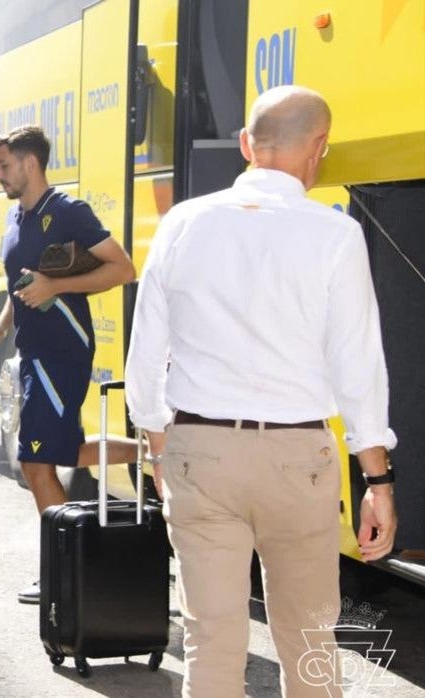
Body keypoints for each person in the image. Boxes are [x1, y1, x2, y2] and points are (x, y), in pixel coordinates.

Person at [125, 85, 398, 697]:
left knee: (211, 639)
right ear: (319, 148)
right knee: (309, 642)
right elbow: (359, 366)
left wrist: (157, 446)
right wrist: (376, 481)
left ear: (247, 145)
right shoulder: (334, 235)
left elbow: (145, 354)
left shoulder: (183, 222)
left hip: (200, 449)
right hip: (296, 459)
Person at [0, 126, 137, 604]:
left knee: (35, 461)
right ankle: (151, 450)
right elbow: (23, 282)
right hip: (32, 351)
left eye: (3, 165)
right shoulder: (15, 216)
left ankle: (66, 572)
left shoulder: (67, 211)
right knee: (60, 450)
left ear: (29, 164)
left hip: (63, 351)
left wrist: (57, 287)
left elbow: (123, 268)